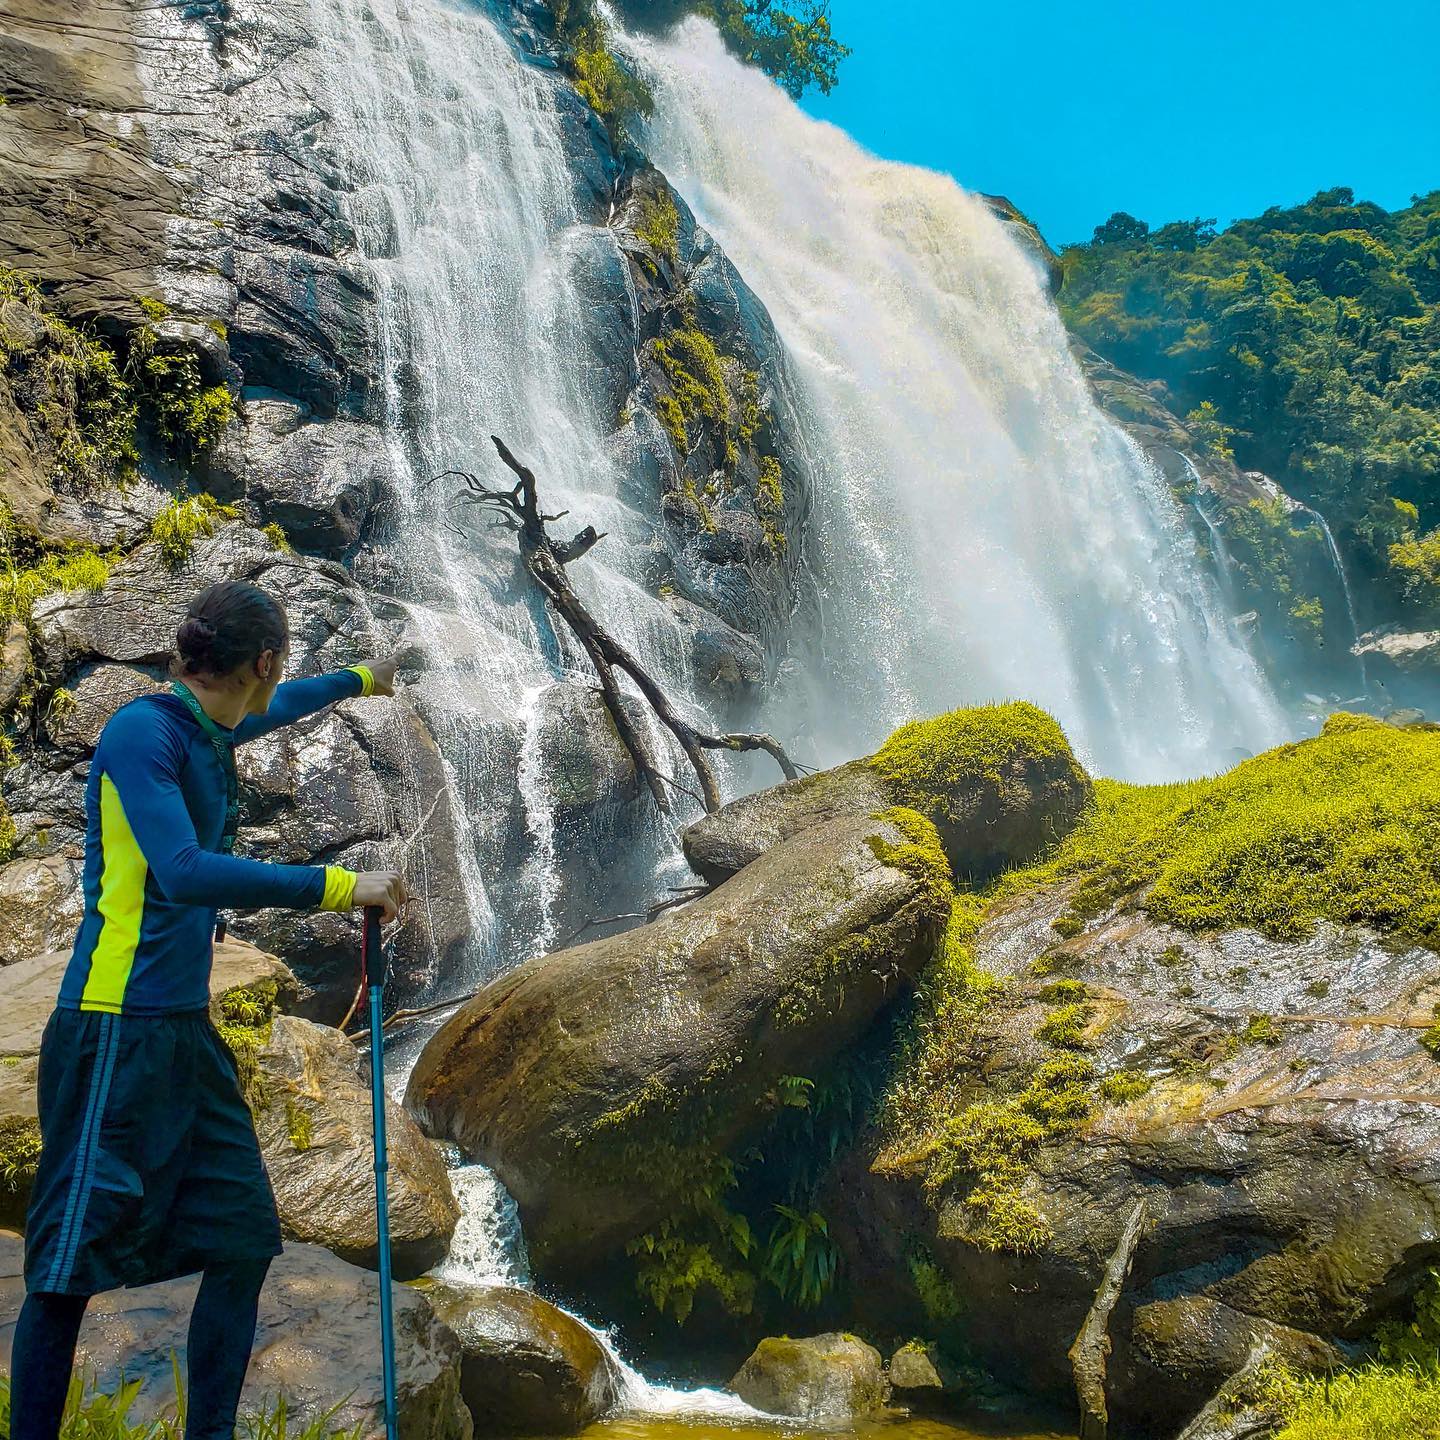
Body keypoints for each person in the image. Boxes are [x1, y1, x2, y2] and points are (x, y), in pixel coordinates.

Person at [10, 580, 409, 1440]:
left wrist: (358, 679)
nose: (281, 684)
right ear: (258, 662)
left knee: (243, 1237)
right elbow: (182, 871)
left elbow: (290, 702)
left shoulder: (211, 725)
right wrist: (338, 884)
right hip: (113, 1028)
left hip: (183, 1033)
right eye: (281, 668)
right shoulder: (141, 733)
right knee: (64, 1267)